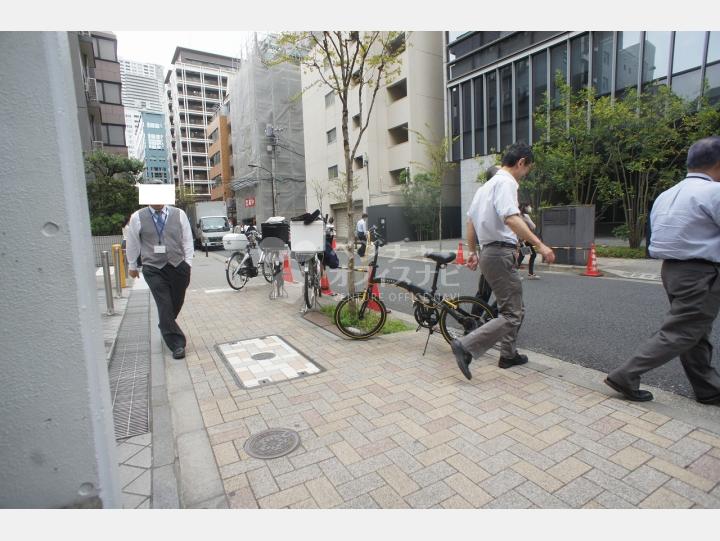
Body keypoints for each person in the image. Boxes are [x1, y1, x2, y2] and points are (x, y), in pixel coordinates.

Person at [605, 136, 720, 404]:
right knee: (683, 331)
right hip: (701, 272)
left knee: (694, 331)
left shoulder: (667, 194)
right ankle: (627, 373)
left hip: (672, 270)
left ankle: (708, 386)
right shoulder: (714, 193)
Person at [451, 142, 555, 380]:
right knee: (512, 314)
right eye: (527, 168)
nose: (525, 173)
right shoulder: (507, 183)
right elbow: (511, 218)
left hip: (488, 252)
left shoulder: (484, 188)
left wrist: (472, 252)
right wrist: (539, 244)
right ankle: (466, 346)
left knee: (515, 308)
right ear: (521, 163)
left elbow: (470, 223)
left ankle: (508, 354)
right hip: (500, 252)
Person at [125, 199, 194, 360]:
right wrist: (132, 265)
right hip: (153, 268)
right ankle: (177, 344)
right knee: (164, 303)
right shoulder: (137, 217)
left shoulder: (179, 214)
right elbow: (133, 242)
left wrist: (188, 263)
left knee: (176, 302)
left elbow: (187, 240)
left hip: (178, 265)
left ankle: (165, 324)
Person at [517, 202, 540, 279]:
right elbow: (532, 226)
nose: (530, 208)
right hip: (523, 240)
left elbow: (533, 226)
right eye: (529, 206)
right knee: (522, 256)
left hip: (527, 239)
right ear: (525, 207)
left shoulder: (524, 216)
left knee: (530, 255)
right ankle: (515, 274)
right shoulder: (520, 217)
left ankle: (530, 273)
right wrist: (520, 241)